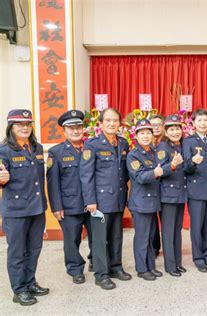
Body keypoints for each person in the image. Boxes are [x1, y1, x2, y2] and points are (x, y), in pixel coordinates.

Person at [0, 109, 49, 305]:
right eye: (20, 124)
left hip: (37, 208)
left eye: (28, 124)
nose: (25, 127)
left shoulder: (37, 148)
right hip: (16, 211)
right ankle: (19, 289)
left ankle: (30, 282)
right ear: (11, 127)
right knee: (17, 251)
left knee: (34, 249)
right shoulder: (3, 150)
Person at [80, 108, 131, 290]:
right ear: (100, 123)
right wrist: (90, 201)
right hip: (100, 201)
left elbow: (124, 173)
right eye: (108, 120)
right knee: (100, 239)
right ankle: (101, 274)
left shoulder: (123, 143)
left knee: (116, 236)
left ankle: (116, 267)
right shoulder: (92, 145)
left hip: (117, 198)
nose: (111, 124)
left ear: (119, 124)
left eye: (115, 121)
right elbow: (86, 175)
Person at [47, 110, 93, 285]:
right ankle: (75, 269)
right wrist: (56, 206)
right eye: (71, 128)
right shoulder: (56, 152)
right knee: (72, 239)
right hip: (69, 205)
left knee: (96, 236)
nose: (76, 131)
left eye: (79, 127)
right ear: (64, 131)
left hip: (92, 204)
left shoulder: (91, 148)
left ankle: (95, 261)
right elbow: (53, 183)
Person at [126, 119, 164, 281]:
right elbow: (140, 177)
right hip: (140, 202)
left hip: (152, 201)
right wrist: (155, 172)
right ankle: (142, 268)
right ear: (136, 136)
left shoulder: (153, 152)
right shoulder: (133, 155)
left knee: (150, 236)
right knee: (142, 237)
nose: (146, 136)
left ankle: (150, 266)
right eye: (142, 133)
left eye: (148, 132)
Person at [182, 109, 207, 272]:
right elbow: (185, 168)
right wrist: (193, 162)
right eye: (199, 121)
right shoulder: (188, 141)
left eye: (205, 120)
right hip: (196, 189)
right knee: (197, 225)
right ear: (193, 123)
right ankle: (198, 257)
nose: (203, 123)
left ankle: (206, 253)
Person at [156, 114, 187, 277]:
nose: (176, 132)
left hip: (180, 194)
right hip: (168, 195)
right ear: (166, 132)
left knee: (177, 230)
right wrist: (172, 166)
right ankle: (170, 266)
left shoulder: (180, 146)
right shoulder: (163, 147)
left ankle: (178, 262)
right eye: (172, 129)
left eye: (178, 129)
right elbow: (160, 172)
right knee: (168, 232)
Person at [150, 114, 165, 257]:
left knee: (165, 219)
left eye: (158, 124)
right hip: (149, 187)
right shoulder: (145, 142)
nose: (155, 127)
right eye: (152, 125)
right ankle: (154, 247)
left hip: (165, 187)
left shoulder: (167, 142)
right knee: (151, 220)